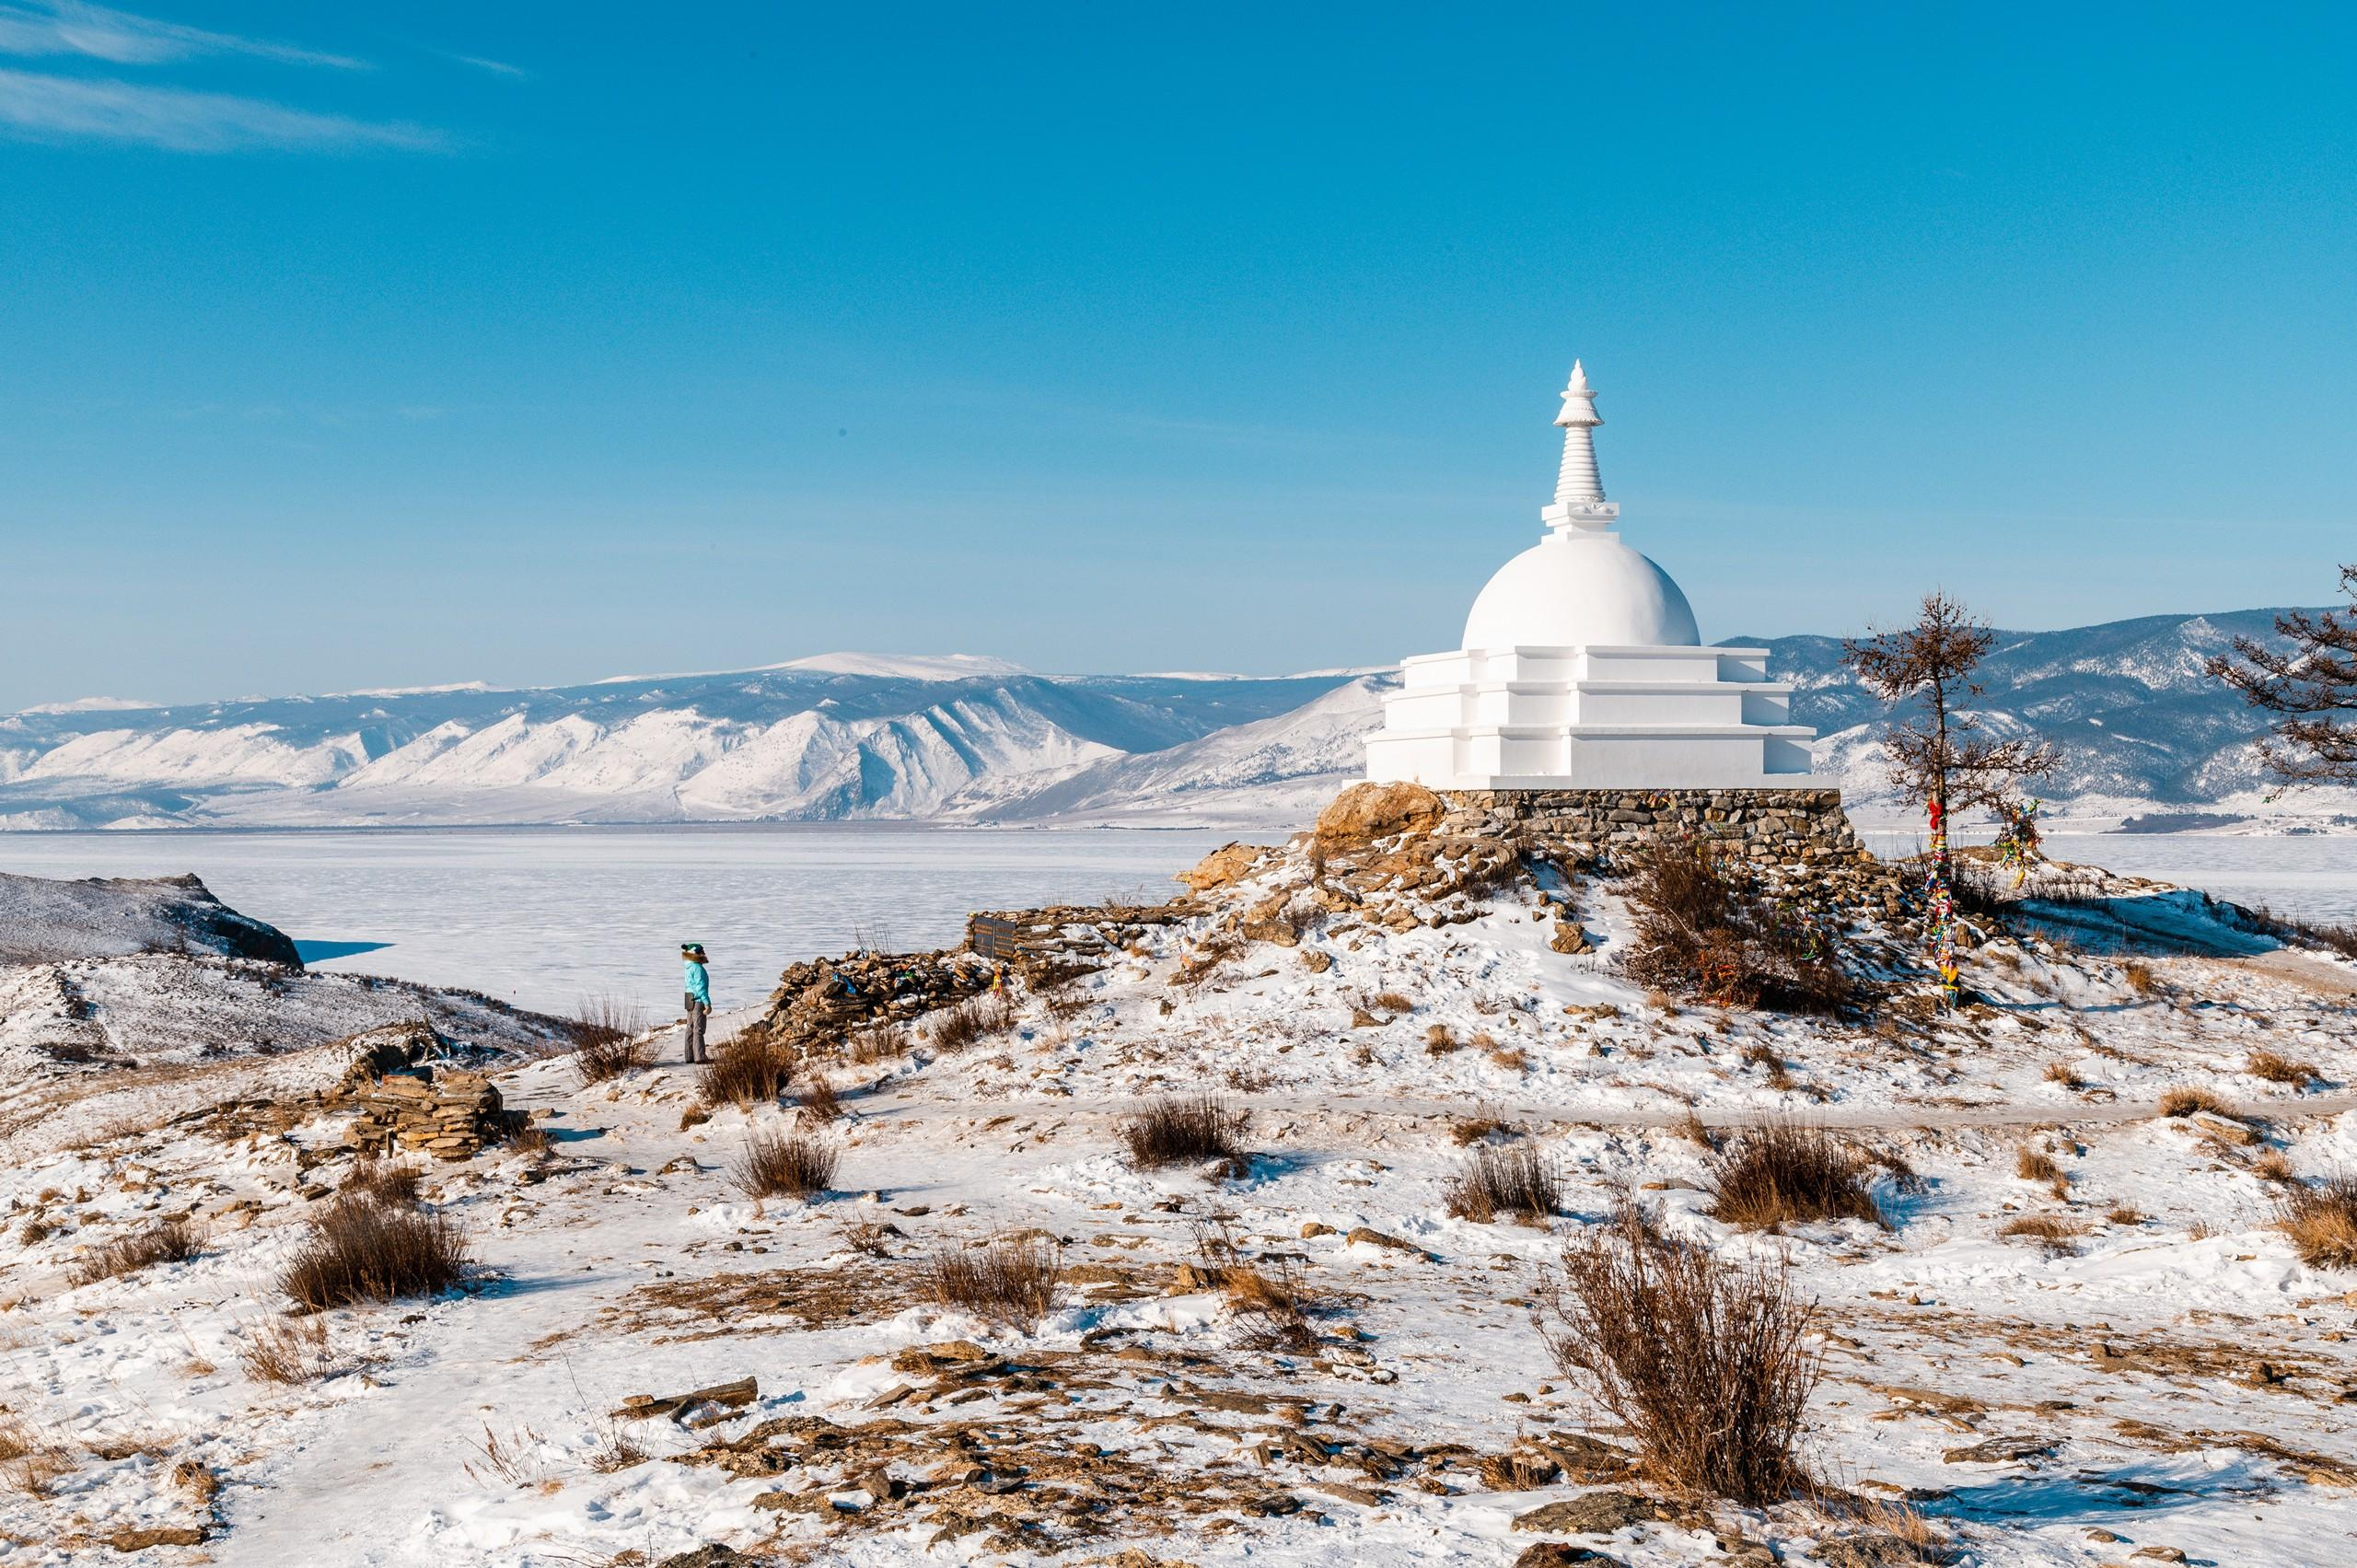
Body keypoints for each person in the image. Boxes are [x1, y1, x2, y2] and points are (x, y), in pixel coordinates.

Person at [681, 942, 713, 1063]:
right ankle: (700, 1057)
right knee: (699, 1028)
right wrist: (707, 1003)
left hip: (688, 997)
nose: (704, 953)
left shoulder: (688, 966)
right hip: (698, 999)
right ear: (696, 954)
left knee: (690, 1027)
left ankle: (689, 1056)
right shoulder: (697, 968)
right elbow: (700, 987)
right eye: (702, 951)